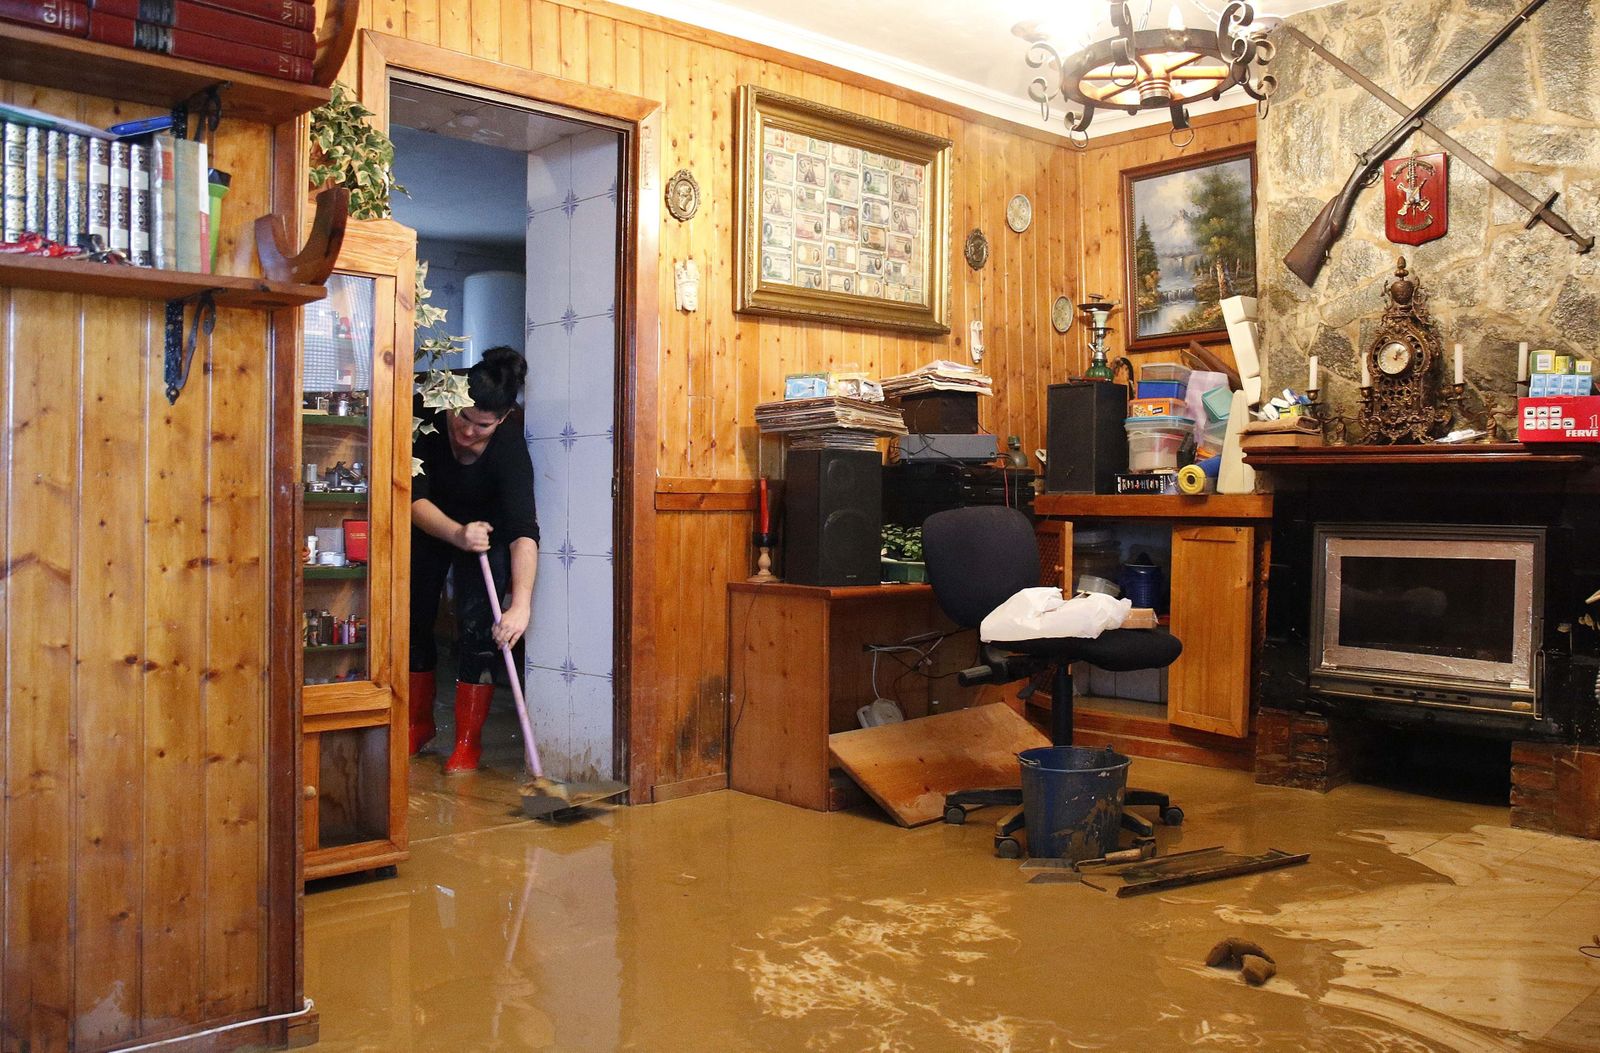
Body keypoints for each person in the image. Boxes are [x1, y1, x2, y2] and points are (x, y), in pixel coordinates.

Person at [409, 346, 539, 773]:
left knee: (479, 630)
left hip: (487, 535)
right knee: (412, 619)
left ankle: (468, 743)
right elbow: (411, 497)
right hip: (429, 522)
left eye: (481, 425)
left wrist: (521, 605)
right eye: (461, 417)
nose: (467, 431)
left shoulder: (509, 446)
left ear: (501, 419)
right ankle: (416, 725)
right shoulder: (426, 417)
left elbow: (523, 531)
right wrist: (456, 533)